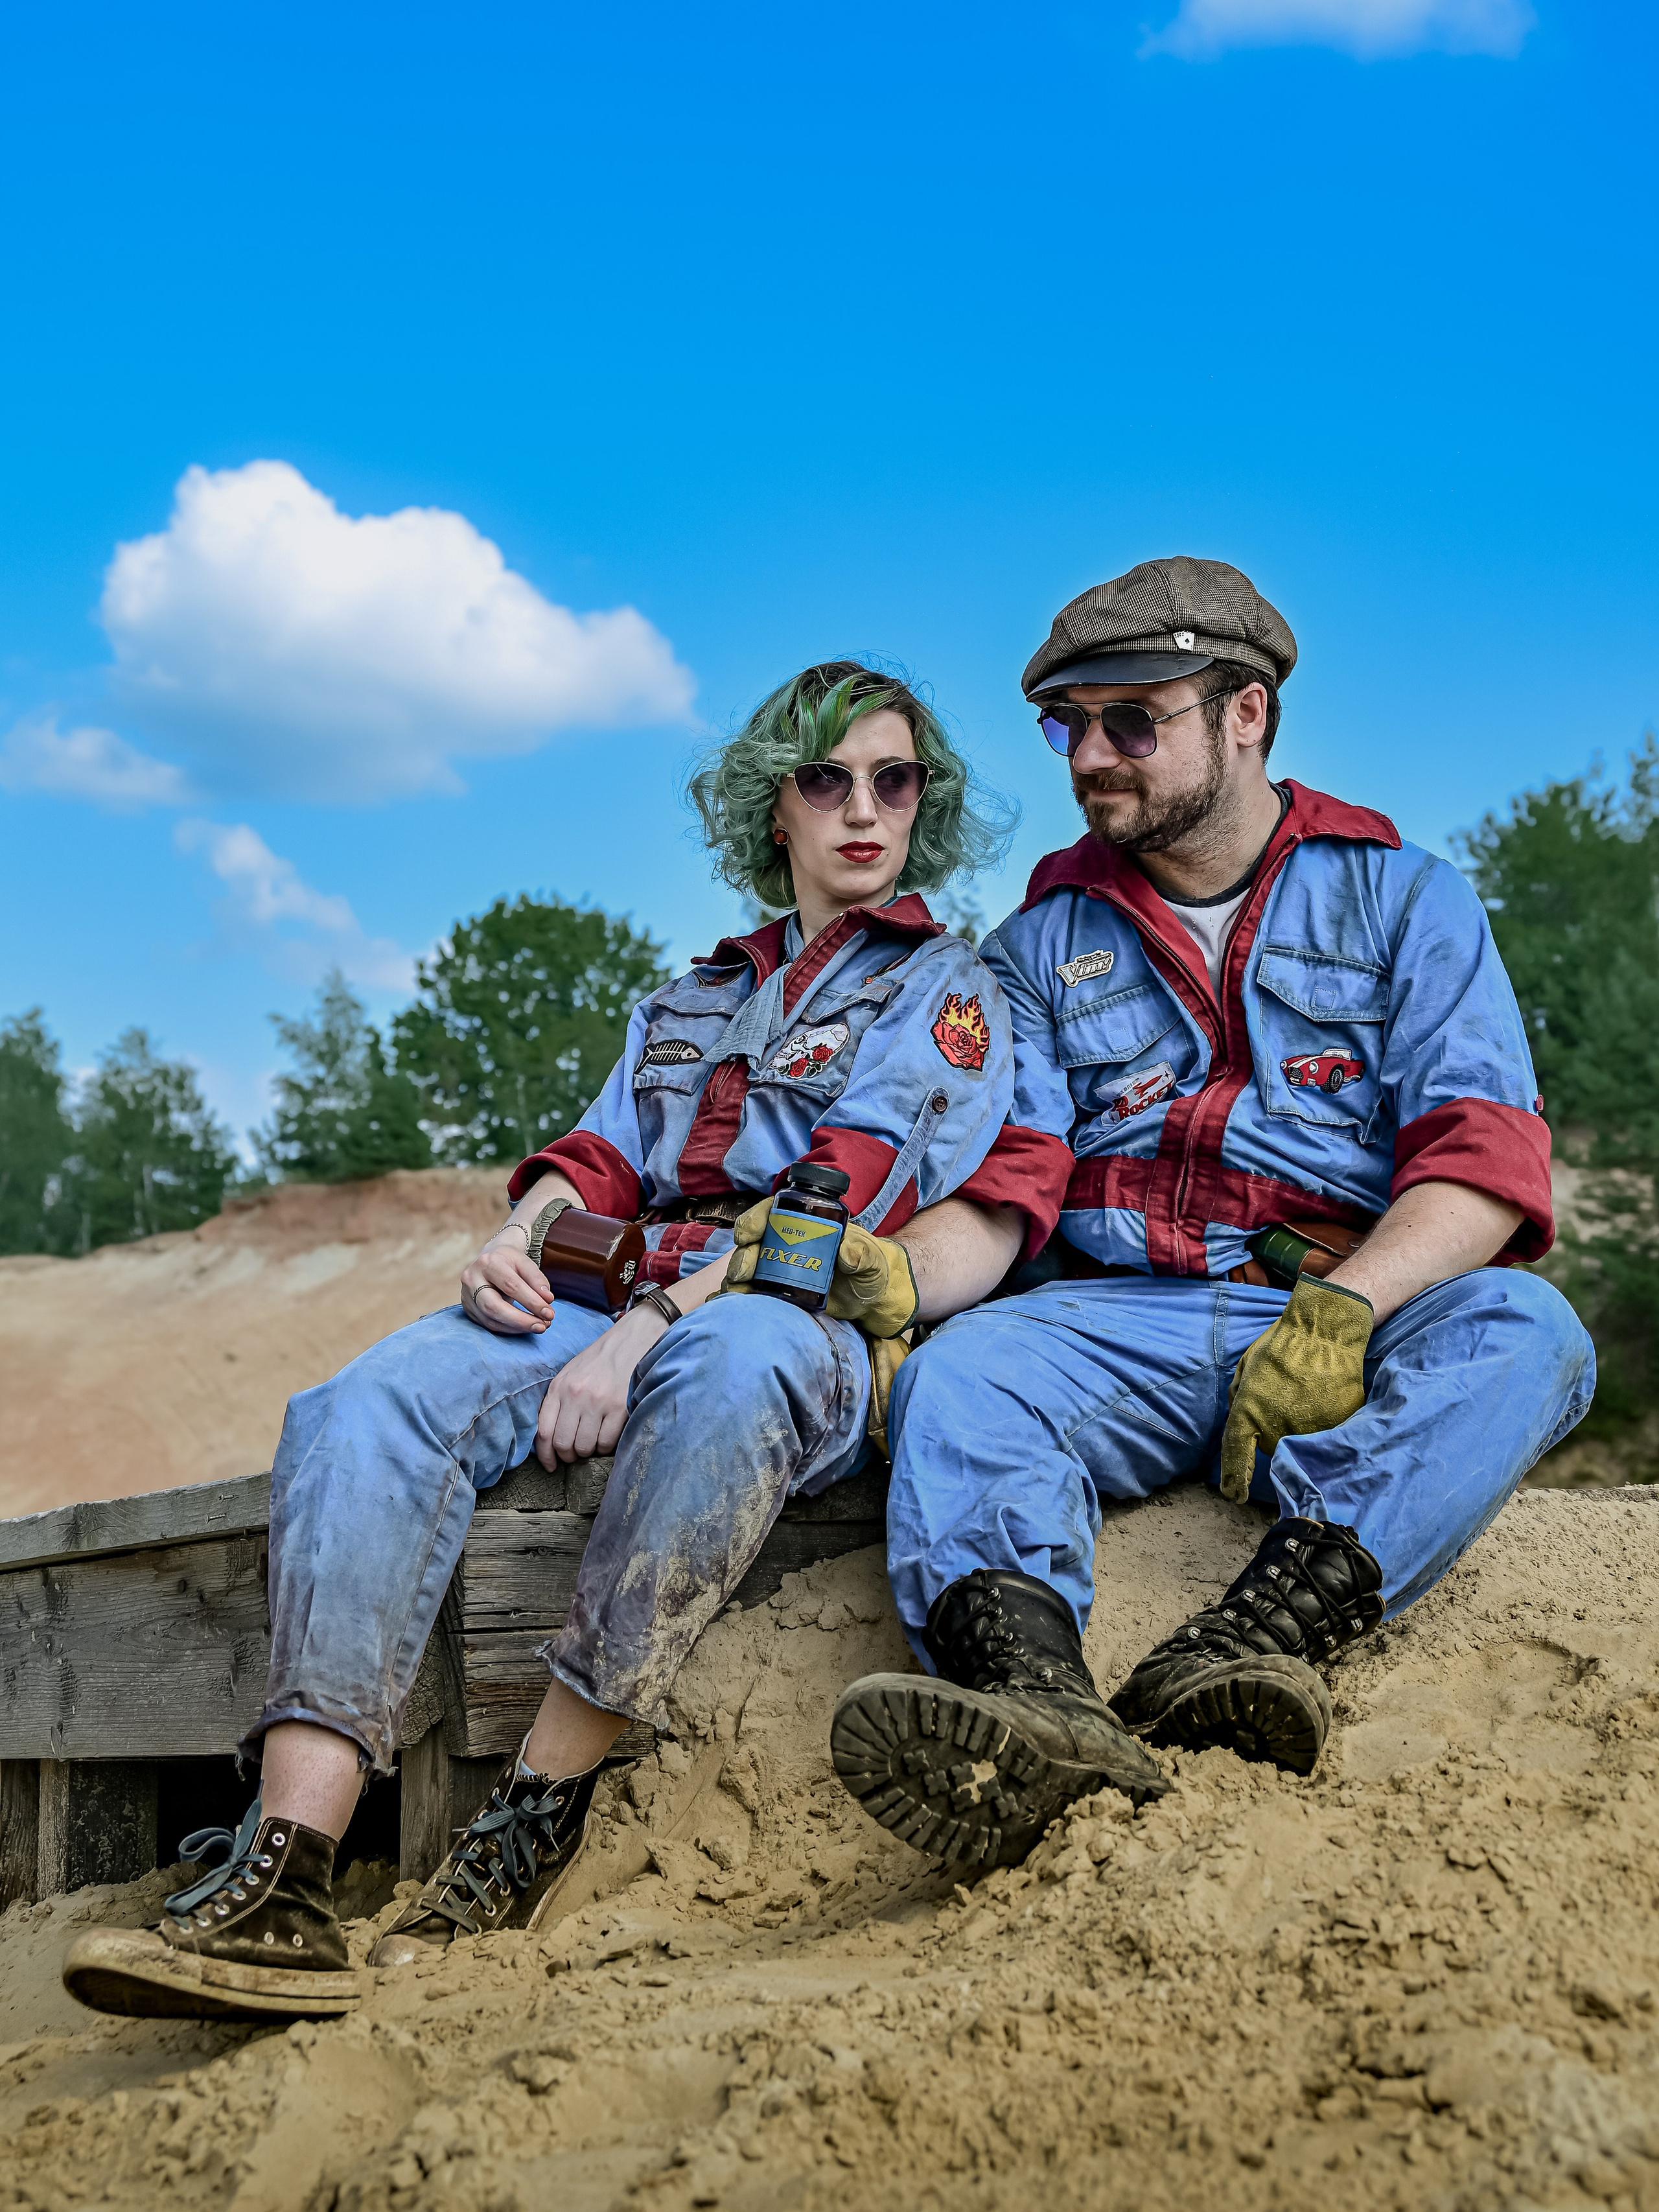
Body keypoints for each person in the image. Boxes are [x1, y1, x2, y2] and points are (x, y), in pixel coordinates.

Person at [65, 660, 1071, 2023]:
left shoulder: (947, 992)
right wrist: (516, 1237)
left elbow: (838, 1199)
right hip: (611, 1300)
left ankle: (537, 1804)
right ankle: (289, 1863)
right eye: (825, 780)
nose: (861, 810)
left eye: (893, 781)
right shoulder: (690, 998)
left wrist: (643, 1329)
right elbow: (598, 1155)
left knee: (731, 1363)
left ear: (921, 805)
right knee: (363, 1401)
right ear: (771, 808)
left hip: (795, 1323)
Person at [831, 558, 1596, 1870]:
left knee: (1527, 1334)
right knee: (961, 1374)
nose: (1090, 756)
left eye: (1131, 722)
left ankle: (1243, 1650)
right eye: (1067, 727)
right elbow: (1016, 1180)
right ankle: (1034, 1706)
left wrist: (1345, 1307)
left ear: (1244, 715)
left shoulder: (1404, 897)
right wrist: (903, 1276)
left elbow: (1479, 1158)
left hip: (1349, 1307)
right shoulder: (1036, 941)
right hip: (1114, 1315)